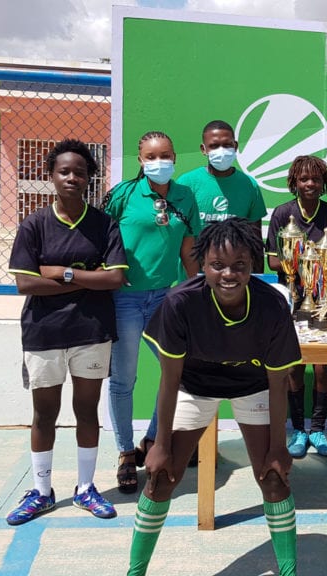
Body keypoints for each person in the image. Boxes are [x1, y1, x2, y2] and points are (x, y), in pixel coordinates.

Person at [126, 218, 302, 576]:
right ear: (201, 265)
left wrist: (279, 446)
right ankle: (135, 571)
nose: (228, 274)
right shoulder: (180, 302)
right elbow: (170, 379)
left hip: (252, 383)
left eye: (239, 265)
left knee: (272, 475)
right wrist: (158, 443)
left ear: (253, 264)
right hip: (196, 383)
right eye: (217, 265)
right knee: (161, 476)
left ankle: (288, 571)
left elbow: (277, 381)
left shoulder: (271, 306)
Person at [5, 139, 128, 525]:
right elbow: (26, 284)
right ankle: (41, 492)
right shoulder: (34, 225)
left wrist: (62, 273)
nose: (72, 177)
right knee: (44, 414)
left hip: (91, 331)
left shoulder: (104, 224)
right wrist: (89, 280)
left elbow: (116, 278)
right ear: (51, 176)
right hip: (44, 333)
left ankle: (86, 488)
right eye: (64, 171)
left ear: (90, 177)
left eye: (80, 171)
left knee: (86, 411)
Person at [104, 131, 203, 494]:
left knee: (177, 371)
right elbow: (101, 239)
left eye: (165, 155)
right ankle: (125, 454)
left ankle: (150, 439)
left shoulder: (185, 196)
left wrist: (197, 293)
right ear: (140, 159)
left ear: (175, 156)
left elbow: (189, 251)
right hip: (125, 299)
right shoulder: (122, 195)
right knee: (123, 379)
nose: (158, 161)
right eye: (150, 156)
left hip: (165, 298)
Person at [265, 156, 327, 458]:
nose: (309, 184)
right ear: (294, 182)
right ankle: (298, 430)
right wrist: (307, 261)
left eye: (315, 179)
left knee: (323, 365)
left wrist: (317, 266)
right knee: (295, 366)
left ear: (323, 182)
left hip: (324, 300)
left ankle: (318, 430)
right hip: (290, 300)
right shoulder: (282, 213)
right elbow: (273, 260)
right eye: (303, 179)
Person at [175, 119, 266, 245]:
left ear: (235, 146)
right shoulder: (186, 183)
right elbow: (176, 233)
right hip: (195, 264)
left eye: (227, 145)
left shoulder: (249, 185)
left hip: (234, 264)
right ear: (203, 149)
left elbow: (255, 239)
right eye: (214, 146)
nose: (221, 150)